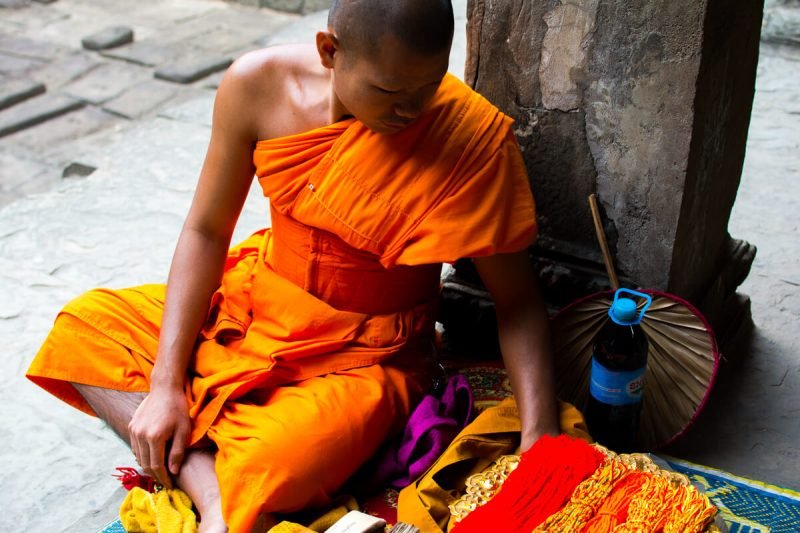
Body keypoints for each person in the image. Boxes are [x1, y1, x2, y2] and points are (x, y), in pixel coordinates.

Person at [26, 0, 559, 531]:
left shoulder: (468, 139)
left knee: (271, 467)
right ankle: (210, 484)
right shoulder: (258, 86)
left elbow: (516, 303)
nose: (412, 111)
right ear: (330, 51)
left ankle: (203, 469)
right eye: (389, 91)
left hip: (370, 355)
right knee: (84, 327)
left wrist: (539, 435)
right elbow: (206, 230)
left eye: (428, 88)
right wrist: (165, 386)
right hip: (253, 304)